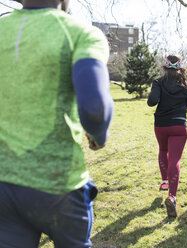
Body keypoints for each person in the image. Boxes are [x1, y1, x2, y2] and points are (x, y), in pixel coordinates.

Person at [0, 0, 114, 247]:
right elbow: (96, 109)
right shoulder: (81, 33)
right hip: (59, 185)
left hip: (4, 184)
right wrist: (99, 136)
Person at [147, 54, 187, 218]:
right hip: (179, 126)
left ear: (165, 67)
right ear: (180, 68)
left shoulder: (158, 82)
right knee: (175, 160)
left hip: (161, 125)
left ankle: (165, 181)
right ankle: (172, 196)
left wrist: (154, 95)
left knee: (162, 150)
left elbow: (152, 101)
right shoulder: (185, 84)